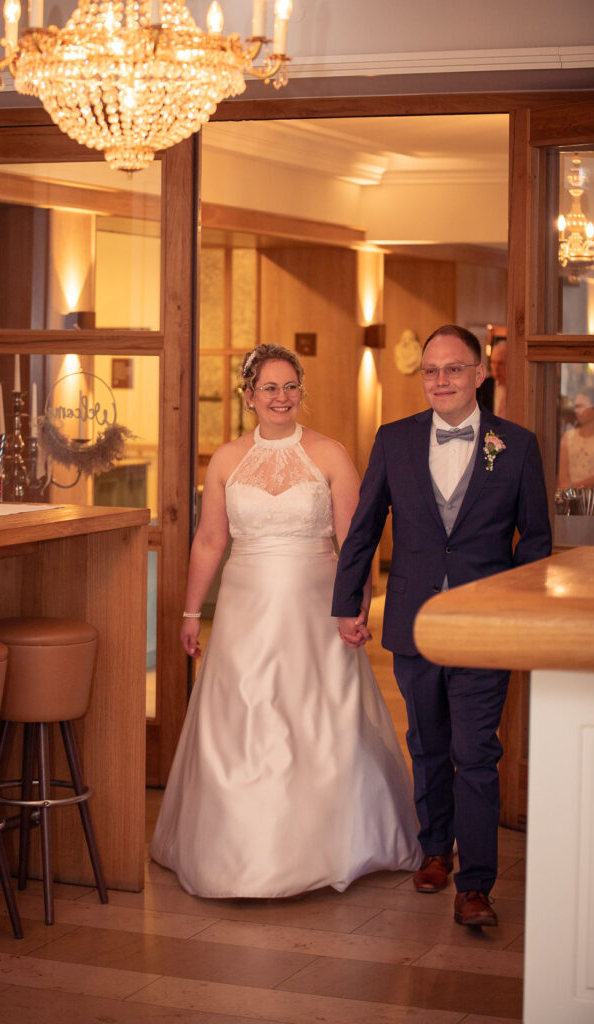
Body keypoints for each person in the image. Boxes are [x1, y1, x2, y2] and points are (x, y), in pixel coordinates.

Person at [150, 343, 421, 898]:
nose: (281, 397)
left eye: (290, 386)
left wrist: (356, 606)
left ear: (301, 392)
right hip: (244, 612)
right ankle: (236, 853)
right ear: (249, 396)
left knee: (317, 720)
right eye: (269, 388)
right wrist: (190, 611)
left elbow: (356, 543)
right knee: (244, 716)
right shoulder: (226, 460)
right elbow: (210, 540)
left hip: (316, 611)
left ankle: (333, 843)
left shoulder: (331, 455)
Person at [332, 325, 552, 928]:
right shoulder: (395, 440)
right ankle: (435, 851)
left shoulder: (517, 445)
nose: (441, 380)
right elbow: (365, 528)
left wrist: (522, 613)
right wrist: (349, 602)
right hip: (414, 619)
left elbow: (535, 541)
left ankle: (476, 886)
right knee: (426, 744)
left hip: (486, 626)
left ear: (479, 374)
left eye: (454, 368)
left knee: (476, 752)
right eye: (431, 370)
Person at [557, 386, 594, 489]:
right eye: (576, 406)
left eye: (582, 406)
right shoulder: (568, 437)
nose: (577, 410)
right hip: (571, 495)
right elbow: (563, 474)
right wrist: (568, 490)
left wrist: (577, 486)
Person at [478, 338, 506, 416]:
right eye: (493, 362)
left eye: (500, 363)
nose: (495, 368)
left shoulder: (518, 388)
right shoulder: (483, 387)